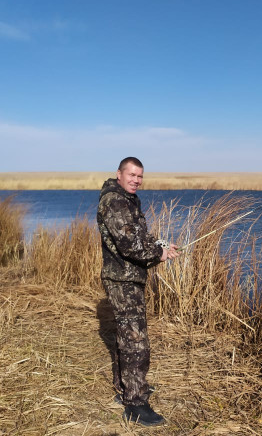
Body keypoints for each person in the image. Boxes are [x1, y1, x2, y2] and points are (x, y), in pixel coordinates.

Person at [97, 156, 179, 426]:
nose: (136, 180)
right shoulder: (116, 202)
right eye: (131, 175)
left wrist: (161, 245)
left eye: (140, 176)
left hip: (128, 278)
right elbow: (129, 246)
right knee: (136, 342)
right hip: (122, 280)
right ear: (119, 174)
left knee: (127, 337)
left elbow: (137, 237)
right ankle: (135, 404)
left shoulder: (127, 199)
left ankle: (127, 387)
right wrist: (159, 253)